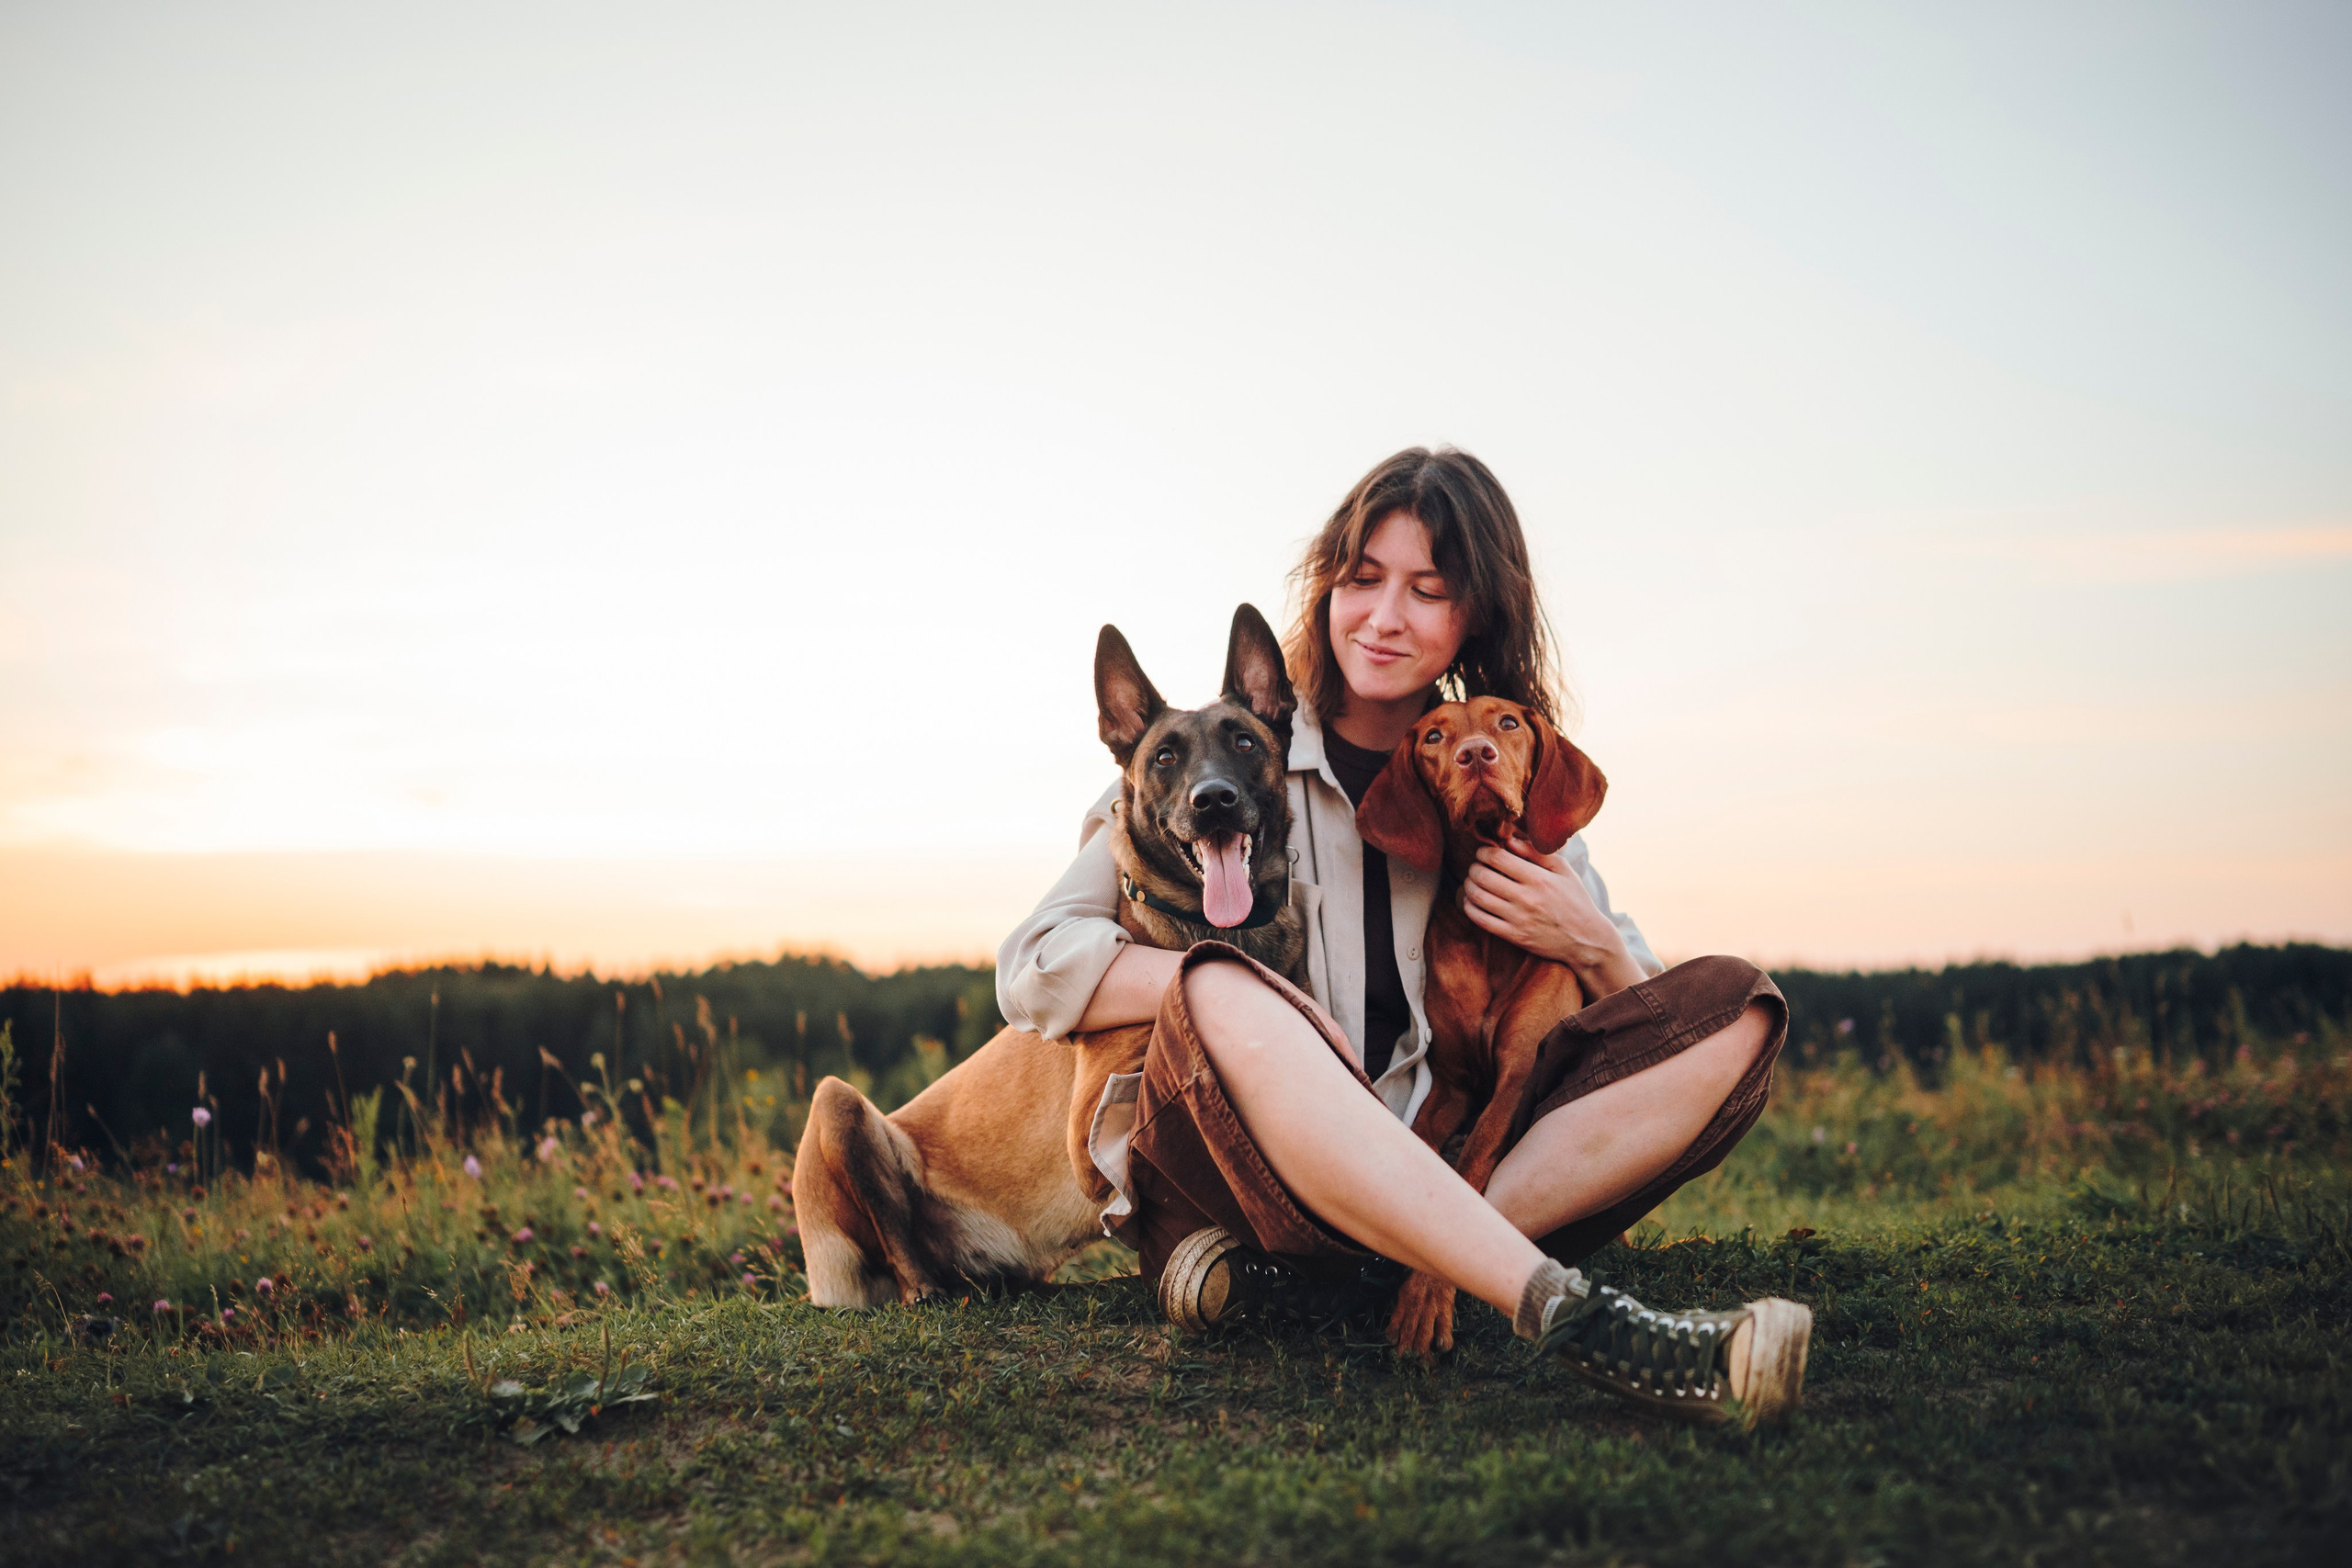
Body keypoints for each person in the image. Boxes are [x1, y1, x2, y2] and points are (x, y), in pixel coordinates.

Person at [998, 447, 1810, 1426]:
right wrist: (1234, 994)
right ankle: (1570, 1313)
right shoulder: (1226, 759)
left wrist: (1589, 940)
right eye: (1362, 581)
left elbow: (1643, 1023)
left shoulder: (1495, 758)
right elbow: (1031, 966)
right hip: (1268, 1171)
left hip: (1468, 1160)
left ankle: (1393, 1265)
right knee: (1217, 983)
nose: (1384, 618)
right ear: (1327, 591)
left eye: (1427, 591)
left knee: (1739, 1010)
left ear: (1474, 615)